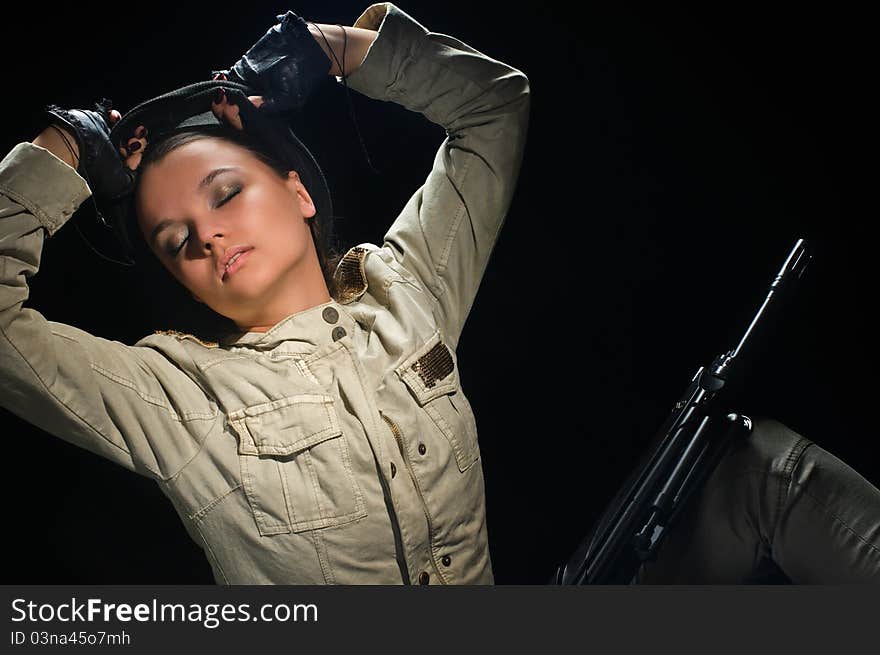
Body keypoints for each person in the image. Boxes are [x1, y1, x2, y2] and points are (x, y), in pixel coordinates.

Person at [0, 3, 877, 585]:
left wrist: (339, 49)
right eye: (175, 240)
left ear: (300, 193)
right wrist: (59, 156)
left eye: (224, 193)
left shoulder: (403, 292)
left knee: (763, 470)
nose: (208, 234)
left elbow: (495, 106)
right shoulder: (175, 396)